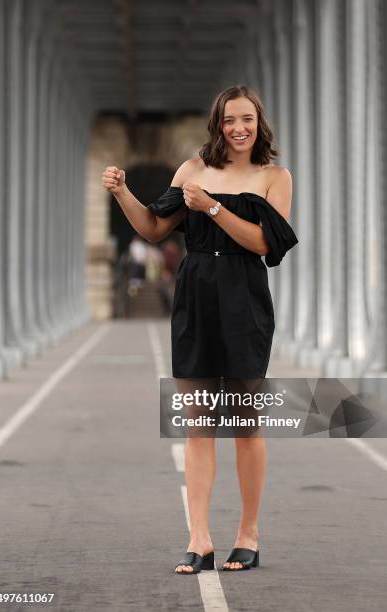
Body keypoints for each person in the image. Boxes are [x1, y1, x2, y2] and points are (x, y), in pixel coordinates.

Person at [101, 85, 298, 574]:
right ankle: (200, 538)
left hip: (245, 301)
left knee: (246, 427)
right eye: (230, 119)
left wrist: (210, 207)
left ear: (259, 124)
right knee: (198, 424)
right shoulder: (190, 170)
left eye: (248, 119)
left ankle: (248, 534)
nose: (239, 128)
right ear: (218, 123)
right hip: (195, 298)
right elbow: (151, 229)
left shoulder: (274, 176)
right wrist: (123, 191)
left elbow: (262, 244)